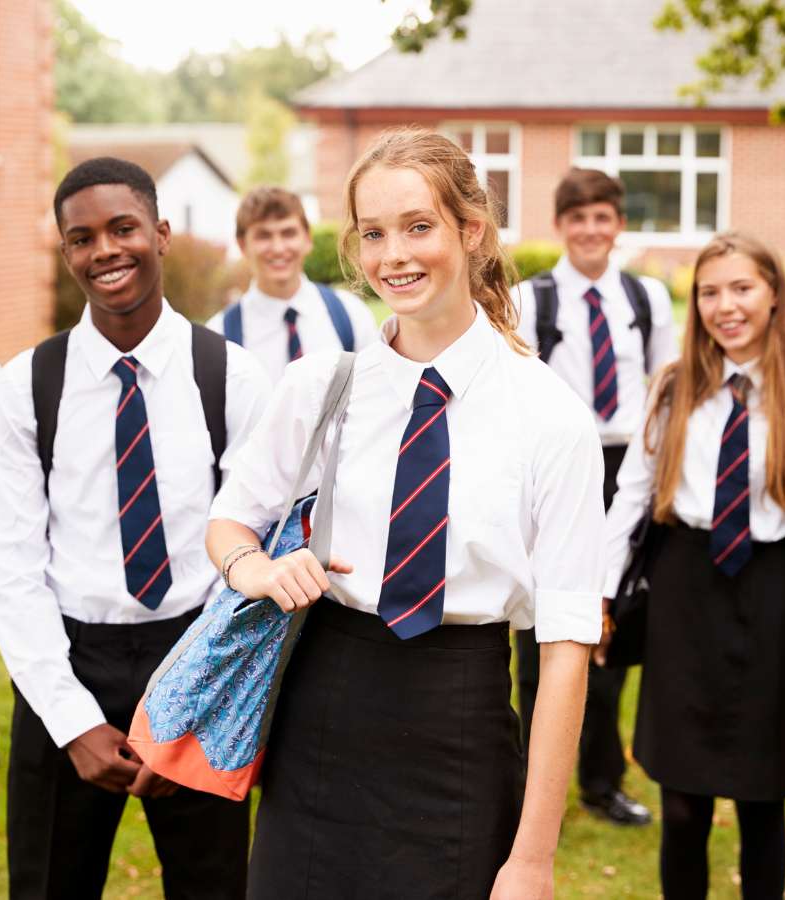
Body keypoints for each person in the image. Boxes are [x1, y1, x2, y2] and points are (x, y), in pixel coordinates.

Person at [207, 127, 605, 900]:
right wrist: (255, 568)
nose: (395, 255)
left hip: (460, 722)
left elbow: (563, 649)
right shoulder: (321, 386)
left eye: (419, 227)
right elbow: (230, 520)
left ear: (471, 230)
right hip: (325, 710)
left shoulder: (549, 415)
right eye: (374, 233)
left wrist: (533, 859)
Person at [0, 157, 270, 899]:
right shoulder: (27, 387)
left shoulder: (230, 376)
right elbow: (12, 569)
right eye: (81, 238)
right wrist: (73, 722)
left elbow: (259, 546)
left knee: (214, 886)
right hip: (68, 661)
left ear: (161, 234)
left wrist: (195, 699)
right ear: (66, 252)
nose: (104, 250)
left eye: (122, 228)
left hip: (199, 655)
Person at [600, 232, 785, 898]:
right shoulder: (673, 387)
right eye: (710, 292)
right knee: (682, 805)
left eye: (742, 288)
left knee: (760, 798)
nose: (726, 306)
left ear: (773, 294)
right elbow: (630, 499)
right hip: (683, 598)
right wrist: (598, 597)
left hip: (768, 595)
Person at [514, 167, 676, 826]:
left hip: (627, 470)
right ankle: (529, 785)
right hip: (554, 468)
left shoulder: (648, 298)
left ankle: (602, 781)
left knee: (610, 629)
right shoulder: (531, 299)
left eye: (601, 217)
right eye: (577, 218)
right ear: (561, 225)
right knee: (540, 628)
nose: (589, 230)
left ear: (618, 224)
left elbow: (666, 389)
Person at [207, 185, 378, 381]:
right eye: (264, 236)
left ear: (307, 238)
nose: (278, 248)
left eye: (288, 233)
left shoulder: (350, 314)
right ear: (243, 245)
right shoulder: (219, 336)